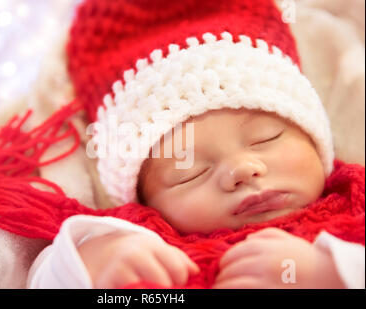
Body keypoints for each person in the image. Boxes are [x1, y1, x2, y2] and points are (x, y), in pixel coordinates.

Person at [27, 0, 365, 289]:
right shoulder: (147, 240)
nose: (242, 169)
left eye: (266, 138)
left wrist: (334, 273)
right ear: (146, 202)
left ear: (315, 139)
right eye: (189, 173)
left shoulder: (355, 205)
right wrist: (92, 263)